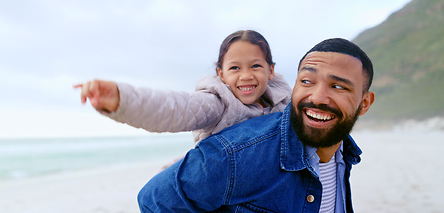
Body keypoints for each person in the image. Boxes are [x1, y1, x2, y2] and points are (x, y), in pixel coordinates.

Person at [137, 38, 376, 212]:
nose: (317, 97)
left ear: (364, 103)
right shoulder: (234, 153)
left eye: (338, 87)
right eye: (306, 81)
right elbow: (153, 199)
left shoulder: (344, 152)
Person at [75, 29, 291, 144]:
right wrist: (122, 99)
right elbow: (175, 108)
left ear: (270, 70)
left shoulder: (285, 101)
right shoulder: (217, 103)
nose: (246, 76)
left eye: (255, 66)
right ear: (221, 74)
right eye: (235, 68)